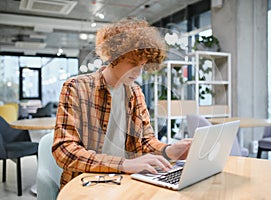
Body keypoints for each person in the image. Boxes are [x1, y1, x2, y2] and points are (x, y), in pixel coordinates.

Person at [52, 17, 192, 189]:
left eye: (142, 65)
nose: (138, 72)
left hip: (127, 180)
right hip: (87, 183)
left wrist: (169, 151)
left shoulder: (135, 93)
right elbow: (64, 151)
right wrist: (123, 164)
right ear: (113, 56)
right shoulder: (76, 88)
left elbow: (146, 142)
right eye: (132, 63)